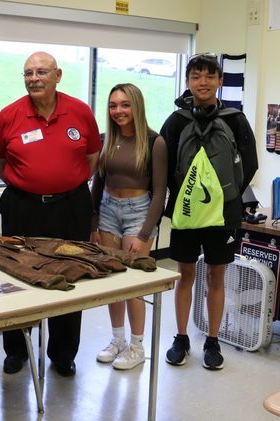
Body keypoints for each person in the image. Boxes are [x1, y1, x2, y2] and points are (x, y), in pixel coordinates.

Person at [0, 51, 100, 377]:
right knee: (16, 275)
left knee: (70, 274)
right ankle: (17, 349)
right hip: (22, 207)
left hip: (71, 207)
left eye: (41, 72)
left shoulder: (79, 112)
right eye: (28, 73)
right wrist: (27, 181)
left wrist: (65, 182)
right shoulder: (10, 115)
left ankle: (63, 352)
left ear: (58, 75)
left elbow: (92, 156)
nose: (33, 78)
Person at [160, 53, 258, 370]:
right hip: (187, 214)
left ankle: (213, 341)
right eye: (196, 76)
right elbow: (162, 165)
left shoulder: (235, 119)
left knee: (217, 275)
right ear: (187, 82)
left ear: (219, 81)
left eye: (209, 76)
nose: (202, 82)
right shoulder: (176, 121)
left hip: (223, 215)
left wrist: (226, 197)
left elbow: (250, 162)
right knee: (184, 274)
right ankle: (181, 338)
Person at [91, 83, 167, 370]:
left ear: (136, 106)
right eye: (113, 105)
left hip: (139, 212)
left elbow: (160, 192)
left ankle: (137, 346)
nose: (118, 111)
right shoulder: (106, 140)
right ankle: (118, 339)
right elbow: (97, 182)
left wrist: (145, 233)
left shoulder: (154, 142)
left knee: (133, 283)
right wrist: (94, 221)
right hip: (108, 210)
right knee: (113, 281)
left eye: (124, 105)